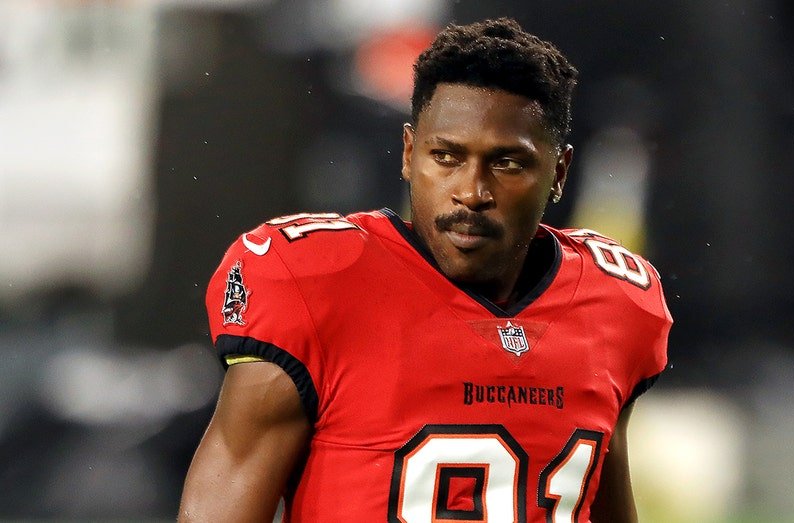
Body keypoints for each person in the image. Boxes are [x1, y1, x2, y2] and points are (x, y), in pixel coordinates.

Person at [179, 17, 671, 523]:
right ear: (410, 154)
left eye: (507, 163)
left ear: (559, 172)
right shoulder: (314, 284)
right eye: (446, 156)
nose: (472, 192)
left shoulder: (614, 303)